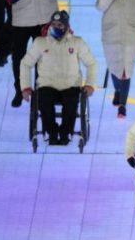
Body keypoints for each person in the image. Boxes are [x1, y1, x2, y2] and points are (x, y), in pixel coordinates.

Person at [19, 10, 98, 145]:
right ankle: (52, 133)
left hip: (70, 85)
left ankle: (65, 133)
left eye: (60, 25)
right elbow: (26, 64)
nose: (57, 27)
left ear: (67, 26)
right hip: (47, 85)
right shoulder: (40, 43)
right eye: (54, 24)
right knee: (44, 102)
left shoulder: (77, 43)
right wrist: (25, 87)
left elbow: (92, 63)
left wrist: (90, 84)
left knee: (71, 103)